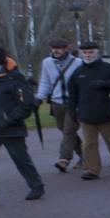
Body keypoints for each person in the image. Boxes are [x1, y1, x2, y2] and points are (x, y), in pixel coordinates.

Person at [0, 45, 45, 207]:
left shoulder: (14, 78)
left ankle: (36, 185)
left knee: (21, 160)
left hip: (11, 129)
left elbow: (26, 104)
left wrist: (8, 120)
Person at [66, 40, 110, 180]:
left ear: (97, 53)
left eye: (91, 52)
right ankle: (92, 170)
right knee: (88, 144)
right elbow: (72, 94)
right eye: (85, 53)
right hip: (86, 114)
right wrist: (72, 110)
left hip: (106, 113)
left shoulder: (109, 69)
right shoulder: (78, 73)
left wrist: (107, 84)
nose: (88, 55)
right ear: (81, 54)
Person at [32, 38, 83, 173]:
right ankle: (85, 155)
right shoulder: (47, 63)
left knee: (69, 131)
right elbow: (45, 82)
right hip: (56, 103)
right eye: (53, 48)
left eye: (59, 48)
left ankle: (64, 159)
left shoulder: (78, 63)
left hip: (74, 104)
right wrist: (39, 98)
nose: (56, 51)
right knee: (65, 130)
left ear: (66, 49)